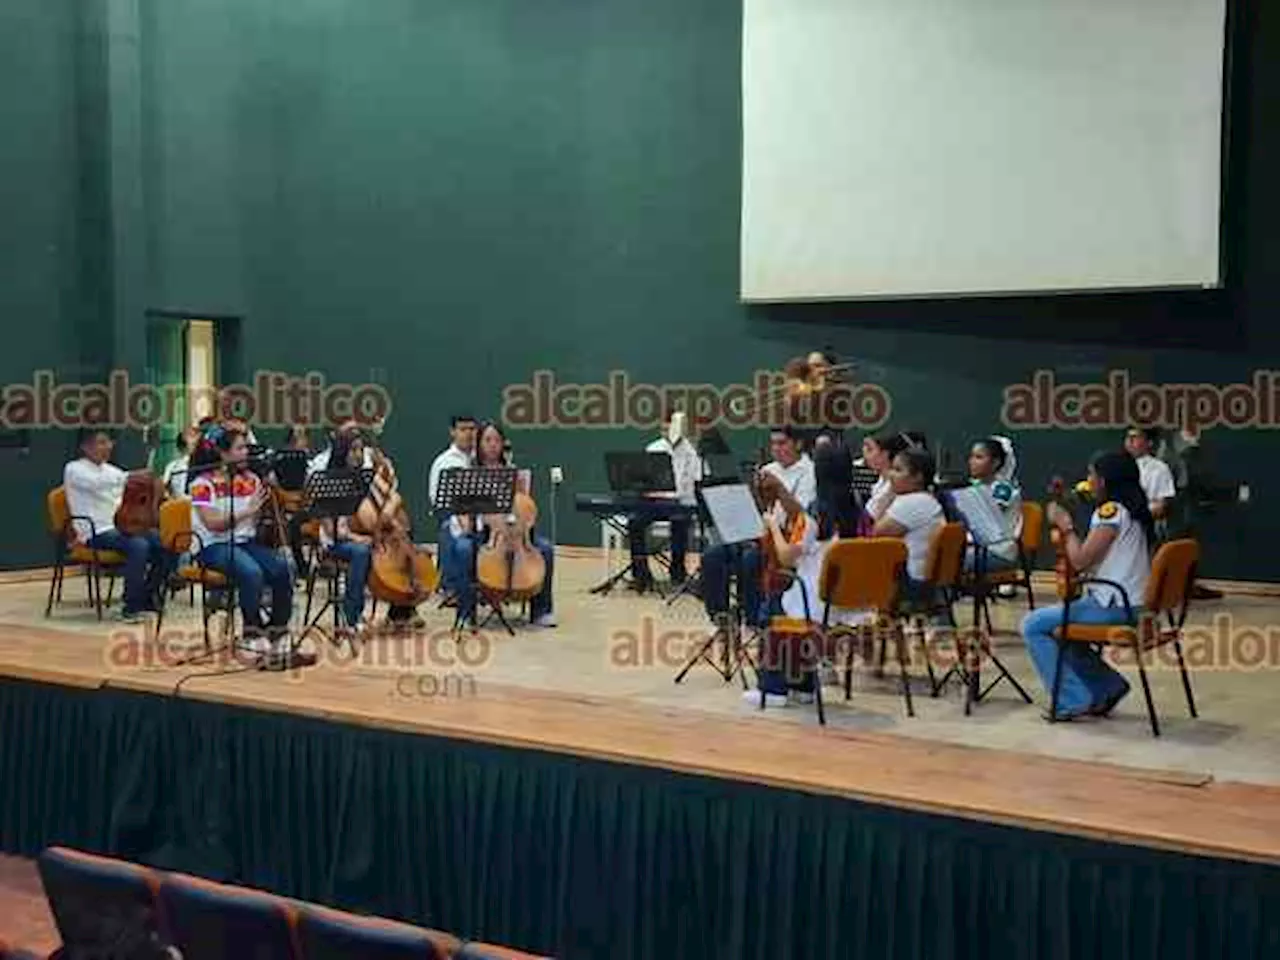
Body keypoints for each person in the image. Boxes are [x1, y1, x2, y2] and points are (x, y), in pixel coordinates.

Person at [1021, 451, 1152, 721]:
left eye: (1092, 475)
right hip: (1132, 603)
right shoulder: (1133, 509)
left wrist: (1066, 527)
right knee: (1060, 630)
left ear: (1103, 481)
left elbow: (1080, 561)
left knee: (1032, 625)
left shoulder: (1111, 512)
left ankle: (1071, 700)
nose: (1088, 480)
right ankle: (1107, 687)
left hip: (1116, 606)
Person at [745, 442, 869, 707]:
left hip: (816, 600)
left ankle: (773, 688)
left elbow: (788, 555)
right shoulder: (859, 508)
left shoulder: (815, 511)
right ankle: (804, 685)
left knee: (772, 609)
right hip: (850, 602)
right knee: (788, 606)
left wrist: (773, 527)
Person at [187, 422, 296, 664]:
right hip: (212, 546)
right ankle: (251, 635)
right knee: (251, 572)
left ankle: (276, 632)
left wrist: (268, 500)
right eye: (240, 448)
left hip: (244, 543)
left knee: (283, 567)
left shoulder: (251, 480)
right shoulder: (202, 484)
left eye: (246, 448)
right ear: (223, 453)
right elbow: (213, 523)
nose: (246, 453)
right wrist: (247, 511)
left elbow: (259, 519)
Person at [701, 425, 816, 631]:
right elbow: (755, 510)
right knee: (713, 555)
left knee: (751, 559)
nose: (776, 449)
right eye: (773, 444)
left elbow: (802, 518)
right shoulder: (768, 469)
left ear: (798, 444)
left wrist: (780, 489)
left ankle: (753, 620)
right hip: (759, 533)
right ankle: (720, 618)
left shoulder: (809, 472)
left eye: (782, 443)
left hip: (786, 540)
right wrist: (754, 496)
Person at [447, 421, 556, 627]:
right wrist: (470, 520)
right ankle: (465, 613)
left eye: (497, 440)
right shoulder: (469, 473)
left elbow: (524, 508)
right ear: (479, 444)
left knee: (546, 549)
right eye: (487, 440)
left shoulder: (513, 473)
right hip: (483, 533)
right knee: (462, 548)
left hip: (514, 533)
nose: (492, 445)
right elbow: (462, 513)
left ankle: (542, 611)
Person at [63, 427, 170, 622]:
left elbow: (125, 488)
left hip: (123, 526)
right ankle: (130, 607)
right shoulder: (74, 469)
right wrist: (128, 477)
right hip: (95, 531)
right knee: (138, 546)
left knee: (164, 542)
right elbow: (97, 483)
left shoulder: (111, 469)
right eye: (101, 442)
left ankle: (148, 596)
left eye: (109, 442)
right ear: (85, 447)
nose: (108, 447)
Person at [628, 410, 702, 591]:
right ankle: (641, 573)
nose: (665, 433)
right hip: (654, 501)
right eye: (662, 430)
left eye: (668, 429)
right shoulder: (653, 448)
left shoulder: (690, 452)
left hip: (680, 502)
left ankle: (677, 571)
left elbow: (696, 481)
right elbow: (643, 481)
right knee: (634, 523)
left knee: (680, 521)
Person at [872, 446, 944, 606]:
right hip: (926, 579)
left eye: (898, 470)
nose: (891, 475)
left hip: (910, 582)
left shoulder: (912, 503)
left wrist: (889, 492)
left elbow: (875, 533)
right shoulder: (926, 499)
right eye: (891, 469)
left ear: (918, 477)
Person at [432, 415, 478, 609]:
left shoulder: (481, 459)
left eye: (472, 429)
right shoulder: (444, 462)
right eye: (463, 429)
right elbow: (438, 500)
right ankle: (451, 587)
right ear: (452, 432)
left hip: (482, 515)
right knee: (450, 527)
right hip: (453, 515)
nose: (468, 434)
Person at [963, 436, 1023, 572]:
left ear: (995, 462)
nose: (971, 461)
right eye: (971, 457)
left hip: (998, 553)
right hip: (975, 548)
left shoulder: (1004, 488)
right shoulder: (974, 487)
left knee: (945, 564)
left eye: (979, 457)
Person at [1124, 426, 1176, 526]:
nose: (1130, 441)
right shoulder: (1119, 465)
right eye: (1128, 437)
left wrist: (1139, 515)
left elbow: (1162, 505)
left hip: (1148, 524)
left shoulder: (1159, 468)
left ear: (1149, 442)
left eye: (1135, 437)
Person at [161, 424, 200, 499]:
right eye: (191, 435)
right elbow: (164, 487)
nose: (196, 438)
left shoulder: (206, 464)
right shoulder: (172, 466)